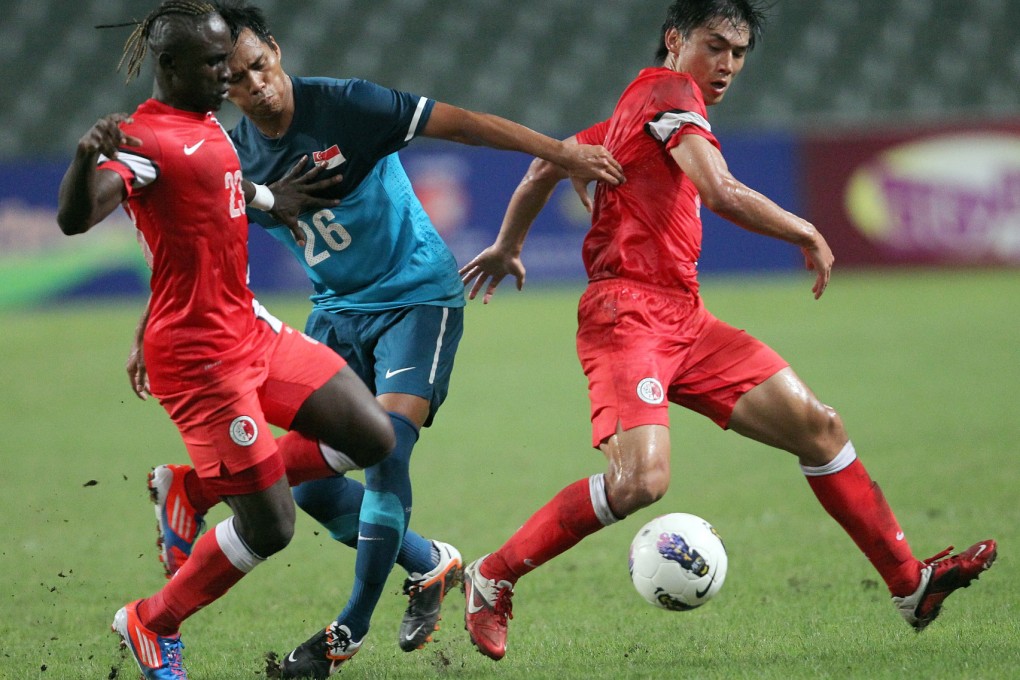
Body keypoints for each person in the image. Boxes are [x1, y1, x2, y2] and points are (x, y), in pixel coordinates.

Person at [458, 0, 997, 662]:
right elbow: (719, 190)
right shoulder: (669, 90)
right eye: (716, 47)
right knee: (640, 483)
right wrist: (805, 227)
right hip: (626, 317)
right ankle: (492, 576)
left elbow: (549, 165)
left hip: (684, 315)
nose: (728, 66)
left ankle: (911, 585)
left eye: (739, 55)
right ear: (675, 38)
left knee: (818, 428)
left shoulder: (626, 117)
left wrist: (509, 244)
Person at [124, 2, 625, 677]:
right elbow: (196, 257)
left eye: (262, 67)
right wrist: (146, 328)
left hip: (415, 297)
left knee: (387, 450)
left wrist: (560, 152)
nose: (257, 86)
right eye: (238, 79)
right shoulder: (233, 154)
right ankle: (428, 563)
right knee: (313, 492)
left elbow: (465, 123)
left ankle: (347, 630)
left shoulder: (350, 107)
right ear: (222, 85)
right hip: (336, 311)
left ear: (277, 50)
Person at [57, 3, 397, 678]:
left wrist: (273, 200)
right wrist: (82, 159)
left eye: (230, 60)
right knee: (271, 526)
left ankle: (190, 490)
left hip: (248, 328)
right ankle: (151, 622)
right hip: (200, 361)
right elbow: (77, 217)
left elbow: (214, 181)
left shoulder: (204, 117)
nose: (228, 74)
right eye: (214, 64)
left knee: (372, 435)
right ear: (171, 66)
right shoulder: (139, 140)